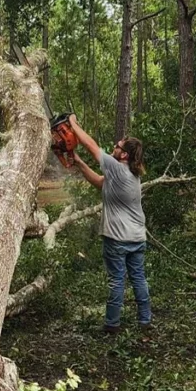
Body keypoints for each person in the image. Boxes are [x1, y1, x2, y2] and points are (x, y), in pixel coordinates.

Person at [67, 114, 152, 333]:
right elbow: (98, 182)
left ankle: (112, 325)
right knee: (138, 278)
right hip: (137, 238)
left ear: (123, 154)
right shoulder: (130, 174)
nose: (113, 148)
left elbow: (91, 145)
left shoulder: (117, 167)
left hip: (118, 239)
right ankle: (145, 321)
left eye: (117, 147)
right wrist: (78, 161)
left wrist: (74, 124)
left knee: (117, 281)